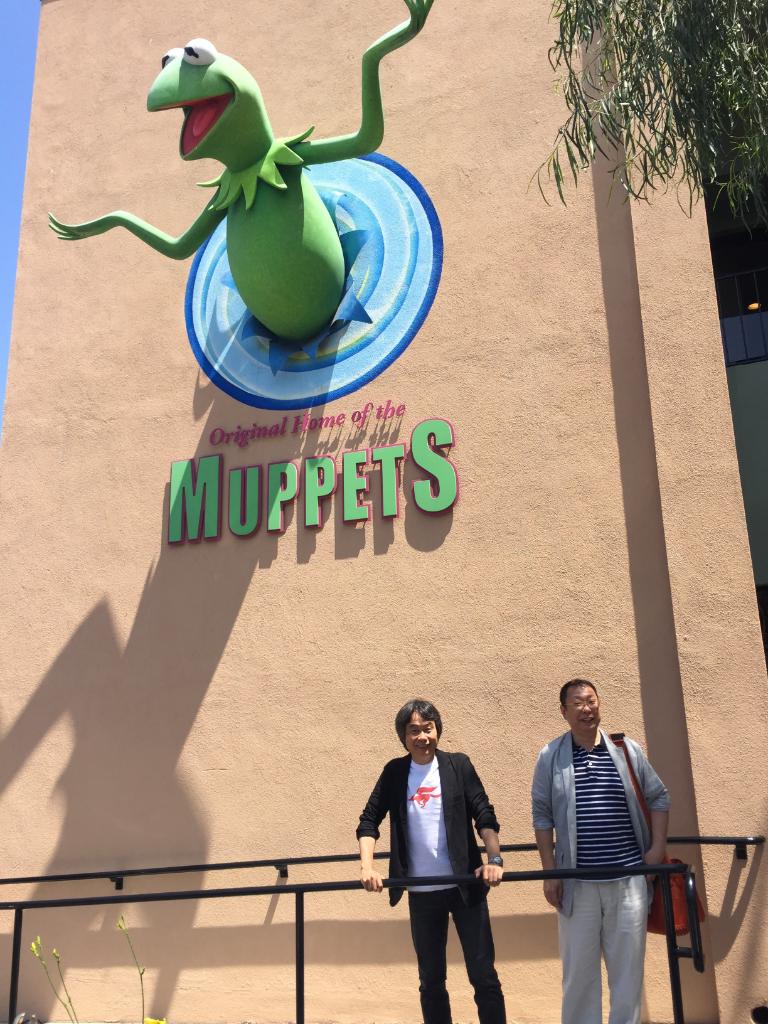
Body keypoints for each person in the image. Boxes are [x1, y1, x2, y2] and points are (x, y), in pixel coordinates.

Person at [357, 698, 507, 1024]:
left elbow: (484, 813)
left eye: (428, 728)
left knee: (483, 975)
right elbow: (369, 821)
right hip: (422, 893)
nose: (422, 736)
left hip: (466, 887)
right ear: (403, 736)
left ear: (437, 730)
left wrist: (494, 858)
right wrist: (367, 867)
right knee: (431, 981)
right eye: (414, 731)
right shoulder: (395, 772)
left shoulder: (458, 765)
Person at [531, 678, 670, 1024]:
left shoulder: (626, 750)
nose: (586, 709)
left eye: (591, 701)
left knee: (628, 975)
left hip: (629, 881)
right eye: (577, 703)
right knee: (579, 976)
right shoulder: (550, 756)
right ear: (564, 711)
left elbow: (659, 796)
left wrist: (656, 849)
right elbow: (542, 815)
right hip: (577, 884)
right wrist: (550, 874)